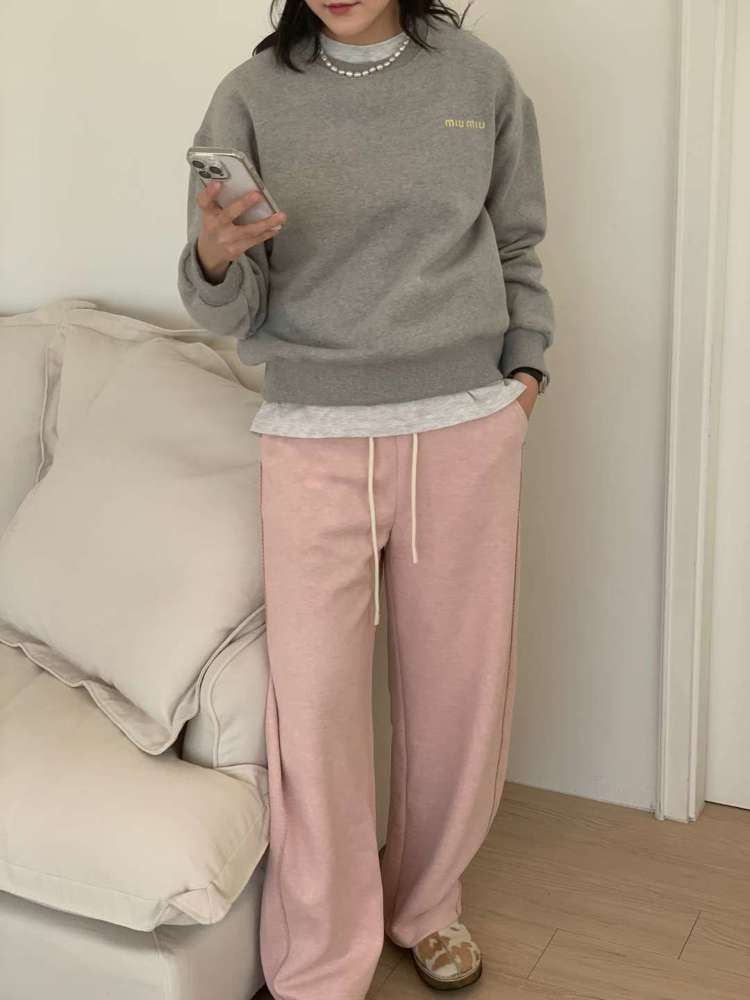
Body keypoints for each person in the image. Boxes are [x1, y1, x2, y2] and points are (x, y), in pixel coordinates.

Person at [177, 1, 555, 997]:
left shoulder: (478, 77)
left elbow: (518, 245)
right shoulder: (250, 95)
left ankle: (427, 904)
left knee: (458, 695)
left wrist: (526, 375)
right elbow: (228, 305)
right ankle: (320, 960)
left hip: (464, 426)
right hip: (312, 434)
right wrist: (213, 256)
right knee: (315, 709)